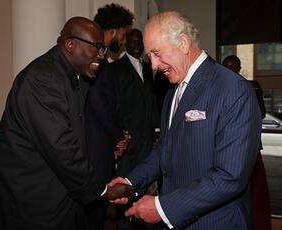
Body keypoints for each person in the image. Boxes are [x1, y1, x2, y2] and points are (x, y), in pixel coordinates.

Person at [0, 17, 136, 230]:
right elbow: (62, 148)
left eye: (103, 48)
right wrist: (103, 190)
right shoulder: (44, 79)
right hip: (27, 196)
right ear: (70, 44)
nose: (102, 56)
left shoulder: (75, 75)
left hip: (53, 192)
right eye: (96, 47)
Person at [110, 11, 262, 230]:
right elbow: (165, 149)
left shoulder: (234, 90)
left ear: (182, 43)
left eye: (156, 53)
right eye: (149, 56)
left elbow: (230, 177)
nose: (153, 65)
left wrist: (163, 208)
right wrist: (130, 183)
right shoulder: (174, 90)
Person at [83, 4, 135, 230]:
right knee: (92, 214)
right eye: (123, 35)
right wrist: (120, 136)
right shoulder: (94, 59)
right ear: (113, 31)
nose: (123, 41)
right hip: (94, 148)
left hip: (102, 145)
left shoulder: (102, 58)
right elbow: (99, 105)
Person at [107, 28, 158, 229]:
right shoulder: (115, 69)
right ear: (126, 43)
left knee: (145, 189)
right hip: (128, 144)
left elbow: (151, 101)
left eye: (140, 42)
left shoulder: (149, 67)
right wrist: (122, 137)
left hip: (148, 140)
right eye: (133, 41)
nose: (137, 45)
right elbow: (113, 106)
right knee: (124, 191)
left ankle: (142, 223)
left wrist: (156, 131)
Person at [223, 54, 272, 230]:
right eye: (226, 66)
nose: (229, 70)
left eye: (232, 67)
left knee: (254, 192)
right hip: (224, 149)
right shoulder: (217, 88)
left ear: (239, 68)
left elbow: (261, 113)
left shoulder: (252, 86)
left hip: (248, 146)